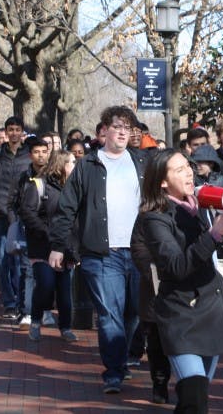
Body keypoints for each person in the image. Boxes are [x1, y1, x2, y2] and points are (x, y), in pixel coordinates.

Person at [130, 148, 223, 412]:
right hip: (182, 313)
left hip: (210, 309)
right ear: (163, 182)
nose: (189, 172)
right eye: (179, 169)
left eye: (188, 166)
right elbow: (177, 267)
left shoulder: (197, 205)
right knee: (194, 390)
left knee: (198, 395)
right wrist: (212, 235)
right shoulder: (154, 218)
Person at [48, 106, 148, 394]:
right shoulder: (88, 165)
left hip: (138, 252)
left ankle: (124, 357)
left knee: (133, 313)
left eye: (127, 128)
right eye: (116, 126)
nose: (121, 132)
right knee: (108, 313)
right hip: (102, 255)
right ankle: (113, 372)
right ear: (104, 130)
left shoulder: (141, 162)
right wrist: (58, 246)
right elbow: (66, 207)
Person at [21, 143, 78, 342]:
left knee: (64, 291)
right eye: (72, 162)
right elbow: (28, 213)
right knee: (45, 284)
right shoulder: (39, 184)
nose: (75, 165)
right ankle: (35, 320)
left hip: (66, 248)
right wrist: (48, 232)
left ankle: (66, 327)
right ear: (61, 165)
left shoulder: (74, 188)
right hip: (42, 246)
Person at [0, 116, 30, 318]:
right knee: (2, 260)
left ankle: (21, 302)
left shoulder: (28, 157)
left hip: (20, 216)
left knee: (20, 261)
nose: (13, 133)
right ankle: (9, 302)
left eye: (17, 129)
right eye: (10, 129)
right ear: (5, 132)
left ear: (22, 132)